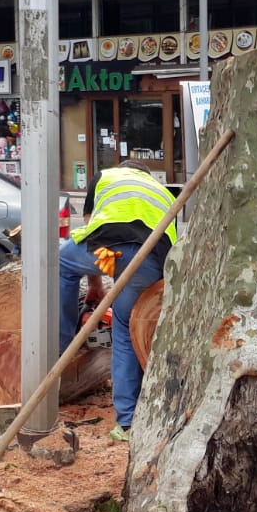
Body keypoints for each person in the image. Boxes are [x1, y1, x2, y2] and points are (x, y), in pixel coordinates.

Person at [59, 159, 176, 442]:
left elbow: (88, 226)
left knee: (62, 262)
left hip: (106, 245)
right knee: (124, 331)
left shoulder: (106, 176)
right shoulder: (161, 191)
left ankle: (61, 347)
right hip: (151, 260)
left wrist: (95, 283)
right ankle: (126, 422)